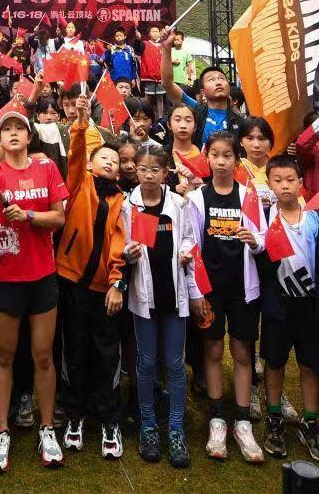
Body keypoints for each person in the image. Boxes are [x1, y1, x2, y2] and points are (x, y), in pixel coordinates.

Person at [0, 111, 69, 472]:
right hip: (6, 277)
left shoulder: (47, 169)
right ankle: (2, 430)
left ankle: (47, 428)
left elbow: (59, 218)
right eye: (6, 129)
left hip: (42, 276)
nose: (12, 133)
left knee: (43, 355)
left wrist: (29, 217)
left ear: (29, 136)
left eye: (18, 129)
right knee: (5, 355)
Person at [54, 92, 128, 459]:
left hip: (104, 290)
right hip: (71, 283)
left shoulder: (121, 201)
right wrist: (81, 124)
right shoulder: (78, 184)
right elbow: (76, 153)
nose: (109, 162)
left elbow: (119, 245)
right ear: (91, 164)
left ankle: (109, 419)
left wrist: (116, 283)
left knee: (106, 354)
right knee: (74, 349)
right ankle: (74, 414)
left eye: (115, 161)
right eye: (104, 158)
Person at [184, 132, 265, 462]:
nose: (220, 161)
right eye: (215, 155)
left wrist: (254, 242)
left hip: (243, 288)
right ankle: (217, 418)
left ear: (236, 159)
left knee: (243, 352)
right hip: (211, 290)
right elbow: (191, 245)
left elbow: (262, 237)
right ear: (207, 158)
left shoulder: (248, 195)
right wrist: (196, 291)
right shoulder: (197, 198)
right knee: (213, 349)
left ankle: (242, 422)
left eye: (227, 155)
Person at [120, 143, 195, 468]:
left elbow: (189, 237)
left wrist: (186, 252)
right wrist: (128, 254)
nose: (148, 175)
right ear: (135, 170)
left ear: (165, 173)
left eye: (155, 170)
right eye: (143, 169)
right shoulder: (129, 206)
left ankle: (176, 429)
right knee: (147, 361)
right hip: (144, 298)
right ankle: (148, 426)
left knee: (175, 364)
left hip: (174, 295)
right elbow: (122, 244)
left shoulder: (178, 203)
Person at [257, 155, 319, 462]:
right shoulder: (264, 217)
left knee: (310, 364)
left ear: (301, 183)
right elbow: (260, 261)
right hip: (278, 304)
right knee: (274, 362)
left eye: (290, 180)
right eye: (277, 180)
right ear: (269, 184)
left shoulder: (315, 219)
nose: (285, 186)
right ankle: (274, 417)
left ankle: (310, 421)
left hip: (311, 305)